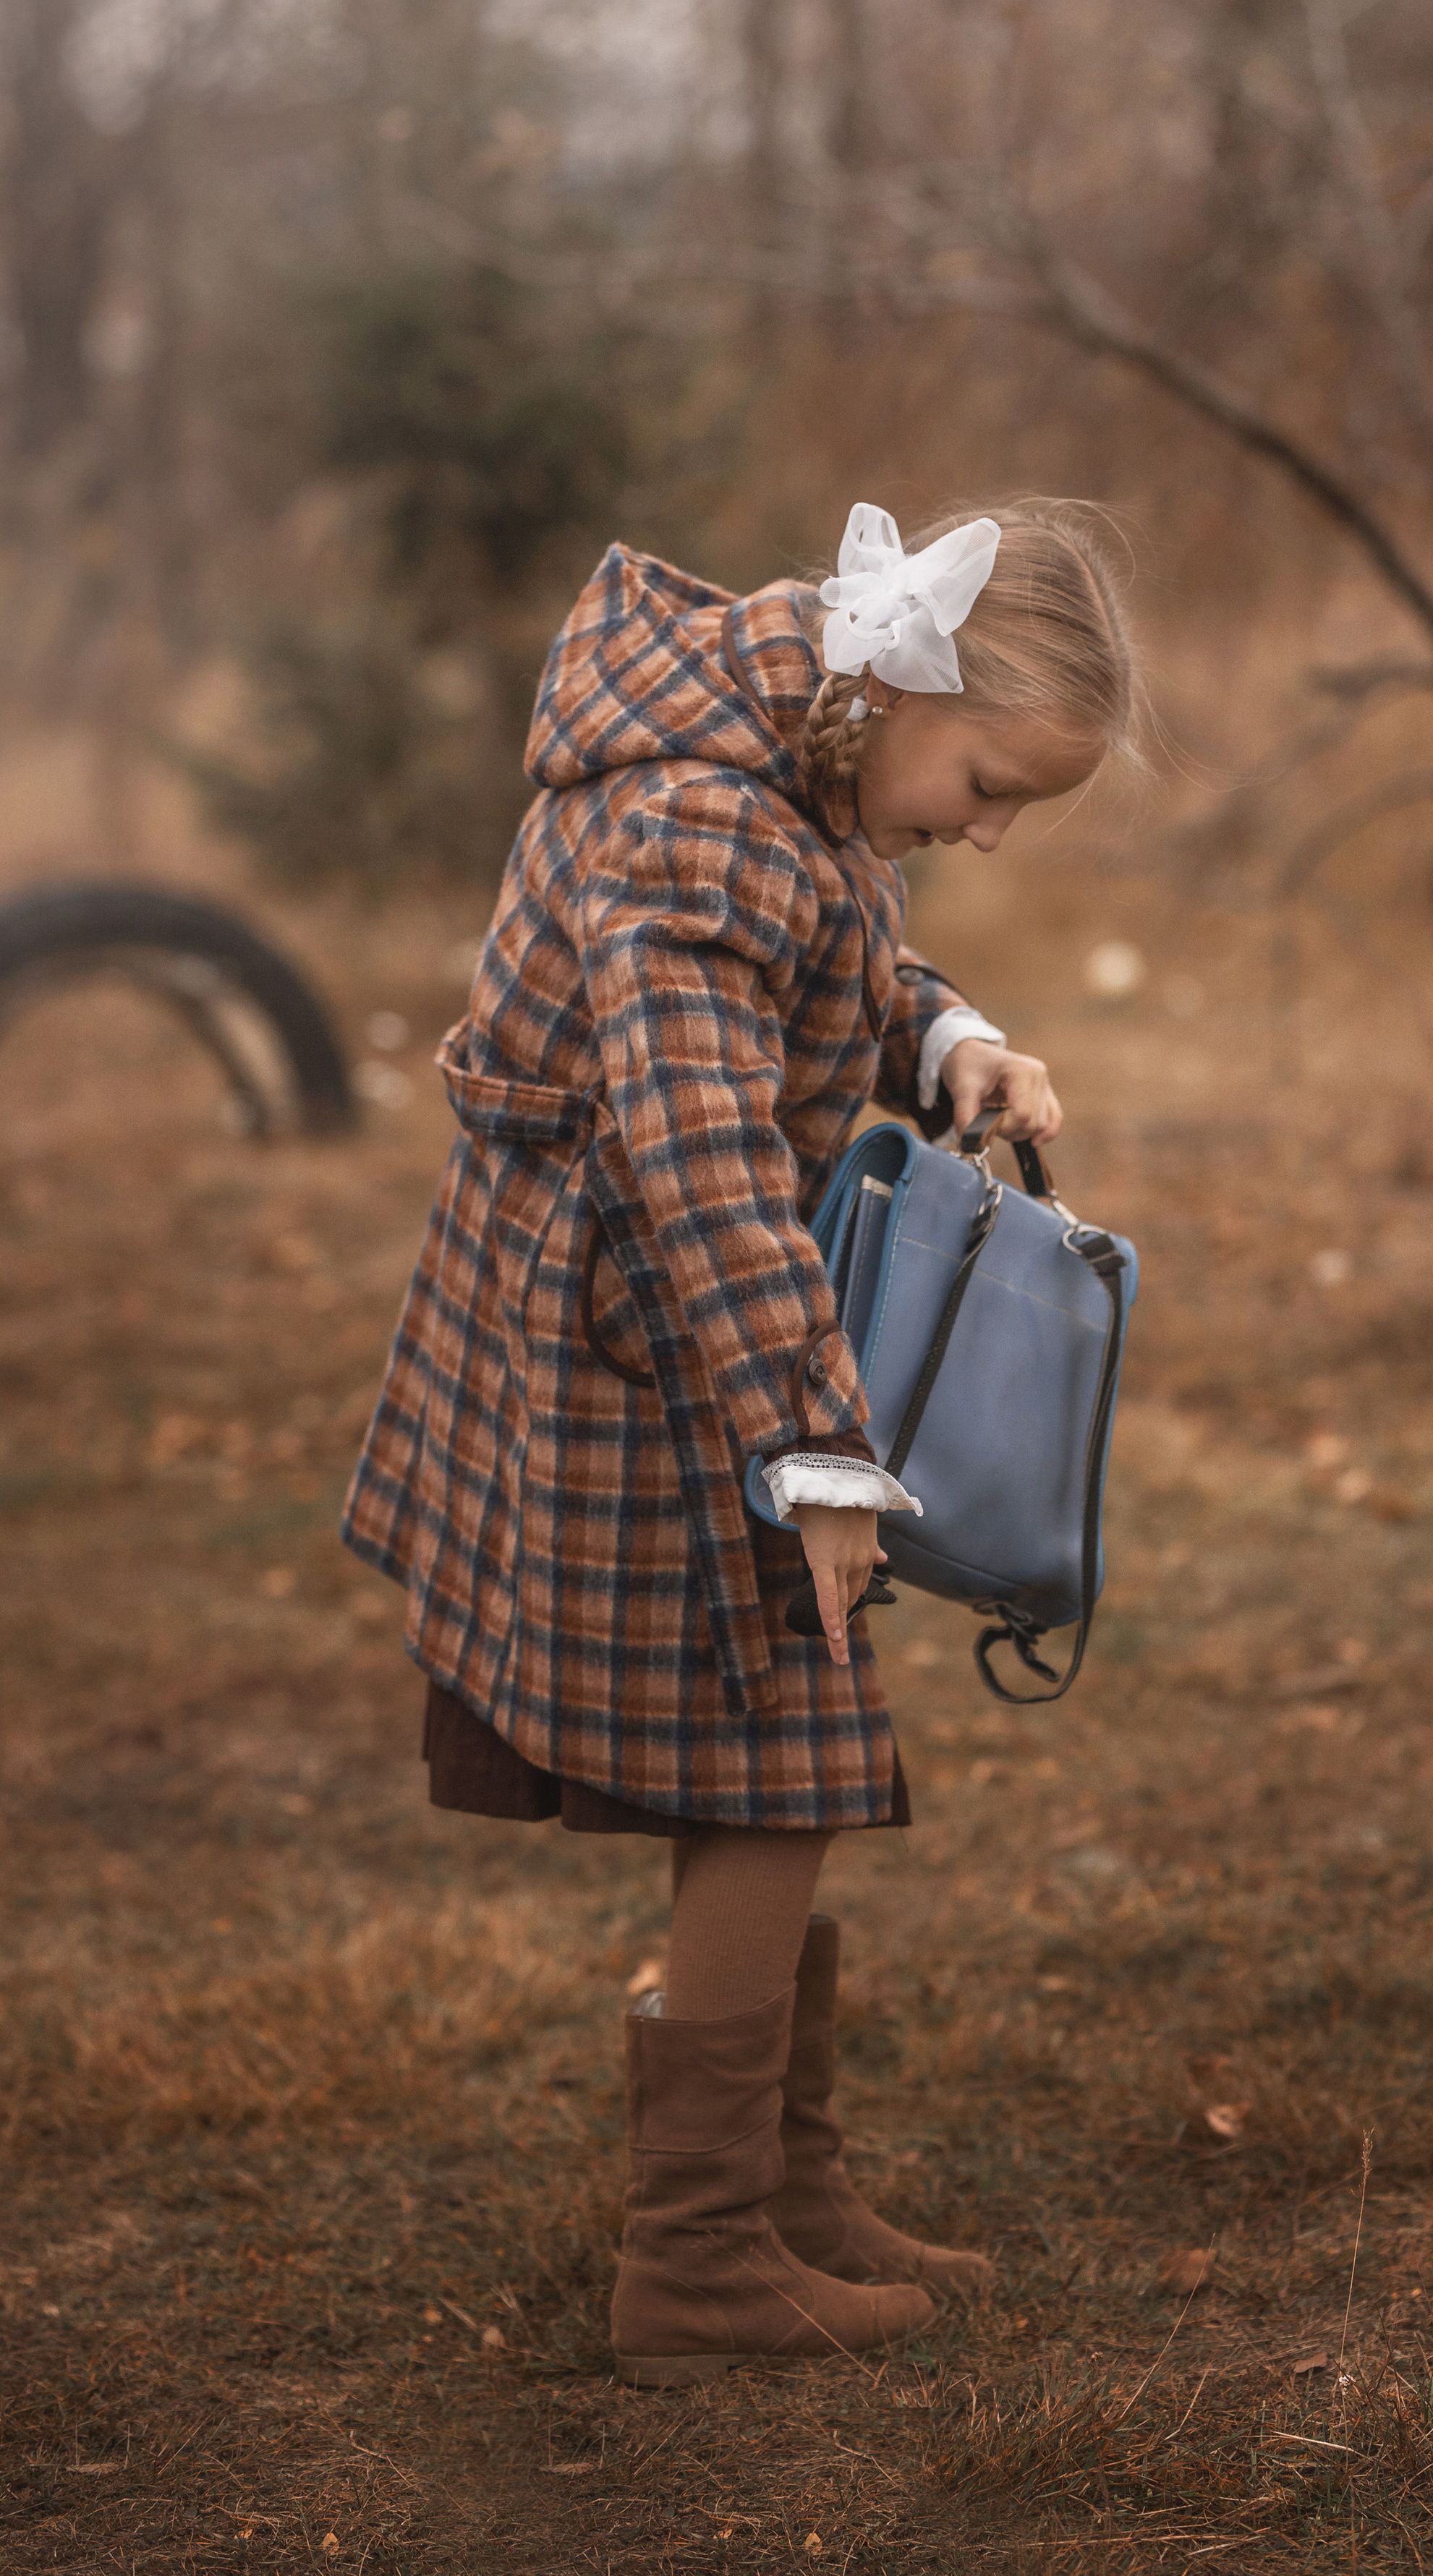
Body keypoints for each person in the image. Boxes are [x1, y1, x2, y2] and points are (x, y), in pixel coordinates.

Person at [341, 497, 1141, 2388]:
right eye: (992, 777)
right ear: (898, 690)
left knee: (777, 1742)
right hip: (642, 1334)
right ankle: (696, 2263)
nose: (992, 826)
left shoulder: (800, 763)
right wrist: (819, 1454)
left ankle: (782, 2190)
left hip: (691, 1317)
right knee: (779, 1753)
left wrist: (939, 1036)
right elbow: (697, 1152)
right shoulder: (705, 810)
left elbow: (826, 966)